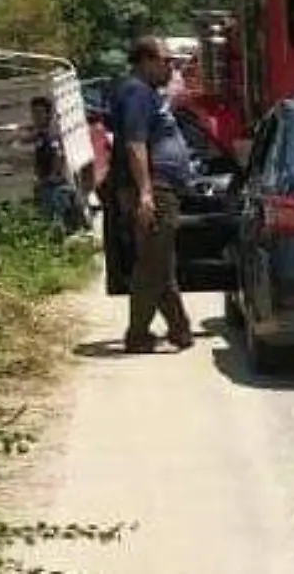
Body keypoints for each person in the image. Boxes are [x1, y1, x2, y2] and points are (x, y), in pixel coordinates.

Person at [106, 36, 194, 353]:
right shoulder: (136, 92)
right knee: (152, 265)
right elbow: (135, 143)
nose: (170, 67)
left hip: (157, 186)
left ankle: (180, 329)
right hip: (154, 187)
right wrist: (145, 193)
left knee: (160, 261)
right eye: (165, 61)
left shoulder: (145, 93)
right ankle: (138, 334)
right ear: (145, 61)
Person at [22, 96, 85, 233]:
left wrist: (52, 175)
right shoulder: (40, 135)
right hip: (45, 184)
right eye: (34, 113)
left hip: (55, 186)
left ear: (48, 114)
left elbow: (58, 154)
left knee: (56, 222)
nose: (36, 117)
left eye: (39, 113)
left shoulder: (51, 135)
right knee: (48, 221)